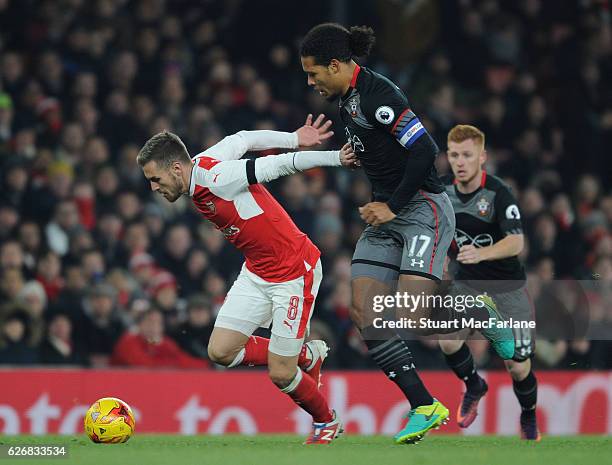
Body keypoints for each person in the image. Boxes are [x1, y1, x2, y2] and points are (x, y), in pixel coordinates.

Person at [299, 23, 514, 444]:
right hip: (385, 217)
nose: (310, 81)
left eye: (313, 72)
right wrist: (356, 155)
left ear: (338, 65)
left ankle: (479, 311)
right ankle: (423, 405)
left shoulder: (380, 95)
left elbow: (424, 151)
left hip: (420, 210)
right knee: (364, 314)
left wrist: (392, 205)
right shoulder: (347, 100)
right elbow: (384, 147)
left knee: (414, 315)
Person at [136, 117, 356, 444]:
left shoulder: (217, 178)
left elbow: (280, 164)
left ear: (176, 170)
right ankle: (306, 356)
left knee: (281, 373)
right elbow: (241, 137)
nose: (154, 187)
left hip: (295, 271)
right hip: (257, 271)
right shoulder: (200, 165)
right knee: (221, 351)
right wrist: (293, 136)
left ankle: (326, 421)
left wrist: (334, 158)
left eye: (155, 179)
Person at [438, 124, 540, 440]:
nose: (460, 161)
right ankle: (474, 385)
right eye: (454, 155)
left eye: (467, 155)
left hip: (508, 288)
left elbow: (516, 242)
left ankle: (528, 415)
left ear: (482, 157)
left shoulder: (498, 193)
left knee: (517, 365)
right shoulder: (442, 191)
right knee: (448, 339)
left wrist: (480, 255)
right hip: (468, 284)